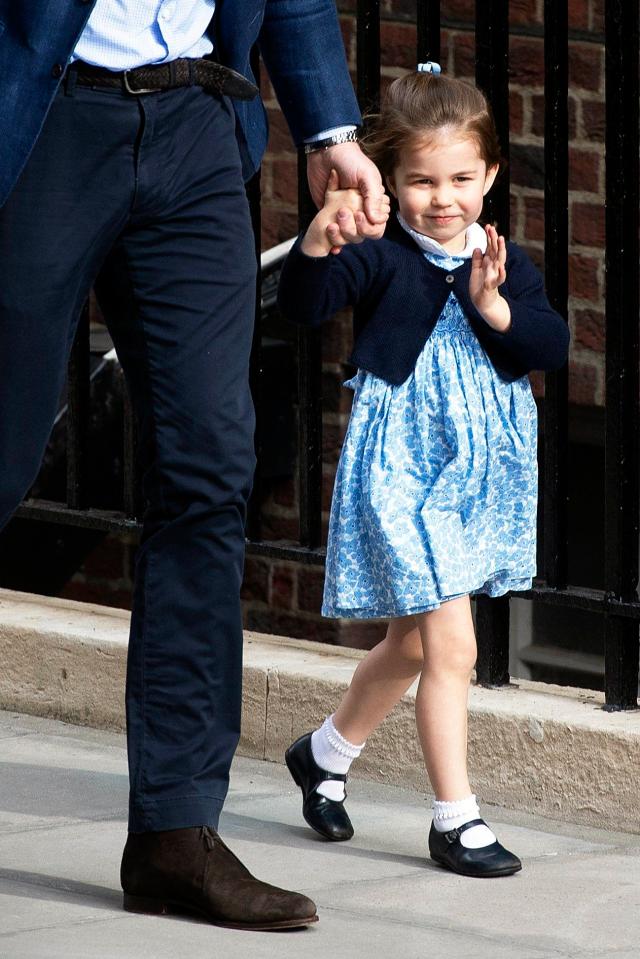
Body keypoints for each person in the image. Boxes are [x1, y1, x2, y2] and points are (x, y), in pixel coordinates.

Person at [0, 0, 388, 931]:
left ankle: (175, 832)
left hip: (199, 125)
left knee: (210, 469)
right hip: (47, 115)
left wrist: (331, 127)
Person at [278, 64, 569, 879]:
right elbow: (302, 308)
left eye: (462, 179)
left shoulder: (503, 260)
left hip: (477, 475)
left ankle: (324, 753)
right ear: (393, 179)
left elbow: (550, 347)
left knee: (409, 644)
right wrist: (316, 238)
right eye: (421, 180)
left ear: (491, 176)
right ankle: (456, 818)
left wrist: (497, 308)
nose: (443, 199)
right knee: (453, 646)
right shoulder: (380, 256)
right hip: (405, 466)